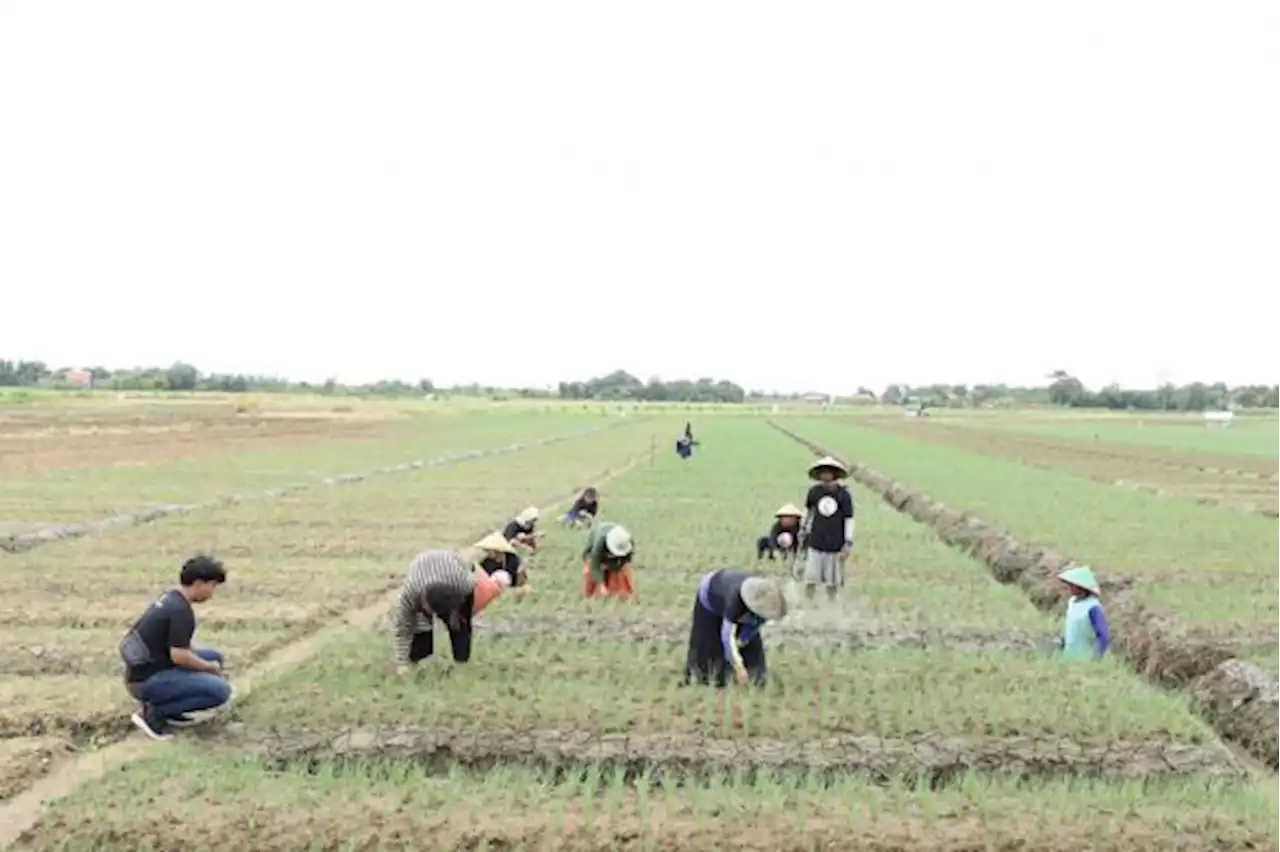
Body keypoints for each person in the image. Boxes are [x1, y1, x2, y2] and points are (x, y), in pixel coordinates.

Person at [119, 555, 231, 741]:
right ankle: (154, 712)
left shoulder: (171, 598)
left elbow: (179, 645)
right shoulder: (180, 611)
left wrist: (207, 662)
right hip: (147, 680)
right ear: (198, 583)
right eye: (212, 586)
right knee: (220, 691)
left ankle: (171, 708)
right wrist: (208, 667)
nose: (212, 592)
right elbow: (179, 655)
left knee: (215, 656)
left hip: (146, 669)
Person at [685, 569, 787, 687]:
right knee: (708, 646)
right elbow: (726, 637)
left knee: (752, 652)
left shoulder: (763, 604)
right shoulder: (734, 603)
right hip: (710, 598)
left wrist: (742, 640)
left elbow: (752, 629)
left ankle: (754, 678)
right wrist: (738, 667)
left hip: (737, 598)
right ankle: (705, 677)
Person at [392, 548, 479, 675]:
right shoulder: (411, 593)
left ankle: (461, 663)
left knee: (461, 624)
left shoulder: (462, 584)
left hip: (451, 566)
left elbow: (474, 580)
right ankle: (417, 661)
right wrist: (402, 662)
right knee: (421, 628)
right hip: (421, 565)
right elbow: (403, 627)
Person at [801, 456, 855, 602]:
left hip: (835, 543)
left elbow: (849, 519)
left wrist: (848, 542)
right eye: (822, 473)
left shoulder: (844, 495)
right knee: (810, 578)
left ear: (834, 475)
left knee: (833, 581)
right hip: (816, 540)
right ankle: (807, 603)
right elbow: (808, 511)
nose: (825, 476)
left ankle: (831, 605)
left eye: (828, 473)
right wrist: (803, 528)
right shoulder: (814, 492)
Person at [1059, 565, 1110, 660]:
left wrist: (1096, 659)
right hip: (1068, 658)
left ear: (1081, 587)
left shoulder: (1093, 607)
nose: (1069, 587)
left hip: (1085, 659)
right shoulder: (1072, 602)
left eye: (1072, 584)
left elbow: (1103, 636)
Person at [582, 522, 635, 598]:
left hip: (613, 555)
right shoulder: (600, 541)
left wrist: (614, 566)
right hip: (594, 551)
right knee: (589, 571)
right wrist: (602, 585)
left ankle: (619, 593)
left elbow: (626, 561)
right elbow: (594, 566)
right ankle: (591, 594)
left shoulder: (628, 541)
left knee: (620, 572)